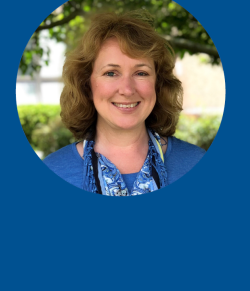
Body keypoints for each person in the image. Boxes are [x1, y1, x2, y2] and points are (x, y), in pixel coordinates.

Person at [43, 10, 206, 195]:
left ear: (158, 85)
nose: (127, 90)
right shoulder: (52, 171)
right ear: (87, 85)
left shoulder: (197, 164)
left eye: (141, 73)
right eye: (111, 73)